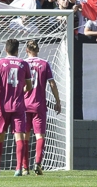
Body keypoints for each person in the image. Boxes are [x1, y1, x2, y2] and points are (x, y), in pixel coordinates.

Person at [0, 38, 33, 176]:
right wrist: (21, 91)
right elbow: (30, 86)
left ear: (6, 49)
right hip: (19, 106)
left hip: (2, 106)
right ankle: (19, 168)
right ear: (17, 49)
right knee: (19, 137)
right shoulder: (23, 63)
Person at [24, 40, 61, 175]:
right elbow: (52, 84)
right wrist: (57, 101)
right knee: (40, 135)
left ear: (26, 50)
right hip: (39, 105)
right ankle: (38, 163)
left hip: (24, 105)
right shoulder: (45, 64)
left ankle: (24, 167)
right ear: (38, 50)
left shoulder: (22, 64)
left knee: (24, 136)